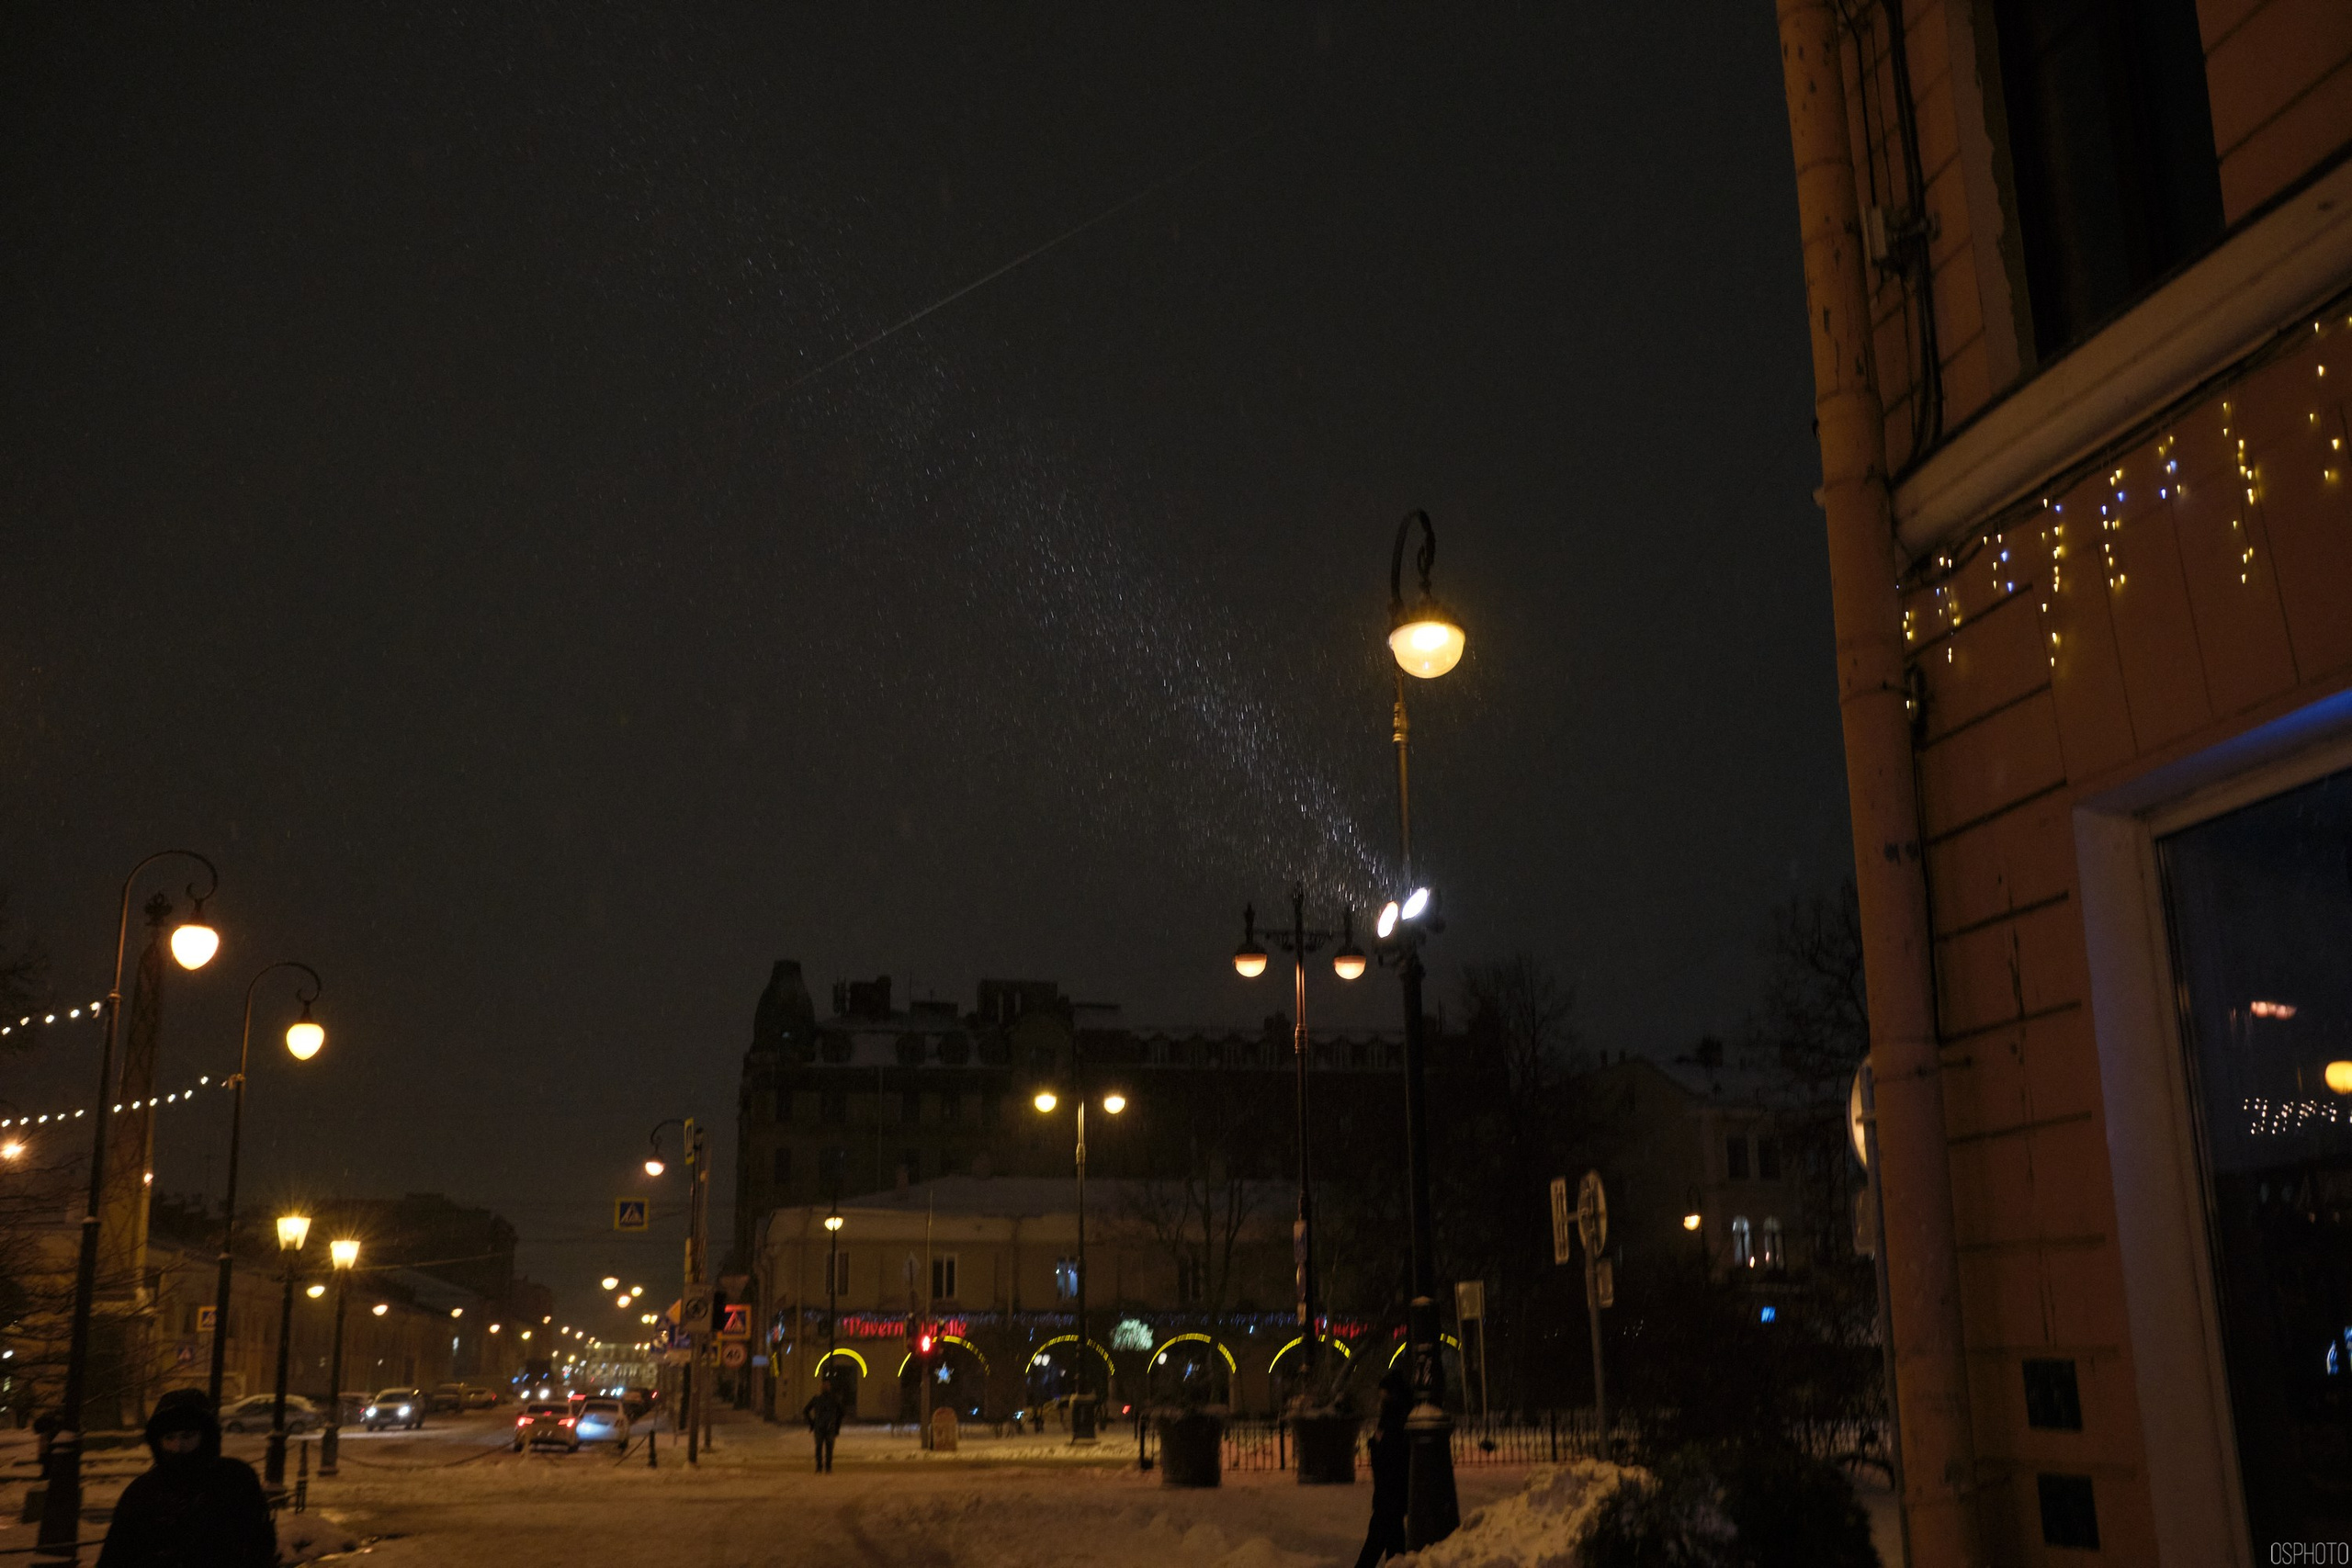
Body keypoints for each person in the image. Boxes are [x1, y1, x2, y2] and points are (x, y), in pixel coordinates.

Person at [96, 1388, 275, 1568]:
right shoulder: (143, 1491)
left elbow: (258, 1546)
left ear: (206, 1436)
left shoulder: (235, 1480)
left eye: (187, 1436)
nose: (178, 1446)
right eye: (169, 1437)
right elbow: (116, 1554)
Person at [1352, 1374, 1413, 1568]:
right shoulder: (1394, 1416)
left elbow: (1392, 1451)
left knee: (1378, 1535)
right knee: (1394, 1539)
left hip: (1390, 1490)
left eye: (1384, 1394)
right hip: (1390, 1490)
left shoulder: (1396, 1418)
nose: (1381, 1399)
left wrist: (1376, 1446)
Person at [802, 1382, 844, 1473]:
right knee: (829, 1447)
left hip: (819, 1426)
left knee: (819, 1447)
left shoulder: (817, 1399)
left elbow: (805, 1411)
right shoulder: (834, 1399)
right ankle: (828, 1467)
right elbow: (842, 1413)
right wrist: (837, 1425)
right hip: (830, 1427)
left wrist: (812, 1423)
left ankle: (819, 1467)